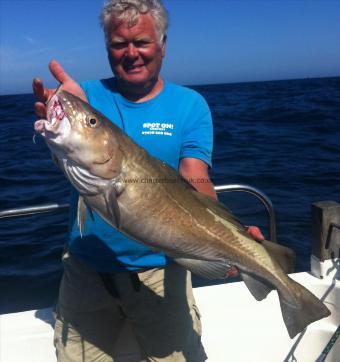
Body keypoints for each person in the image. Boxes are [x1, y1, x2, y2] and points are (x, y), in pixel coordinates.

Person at [33, 1, 264, 361]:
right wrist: (61, 128)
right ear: (106, 46)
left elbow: (196, 177)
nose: (130, 54)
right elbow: (75, 157)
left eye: (140, 42)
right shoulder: (85, 97)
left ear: (162, 43)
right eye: (118, 44)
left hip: (163, 272)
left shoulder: (190, 105)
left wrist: (228, 234)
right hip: (86, 269)